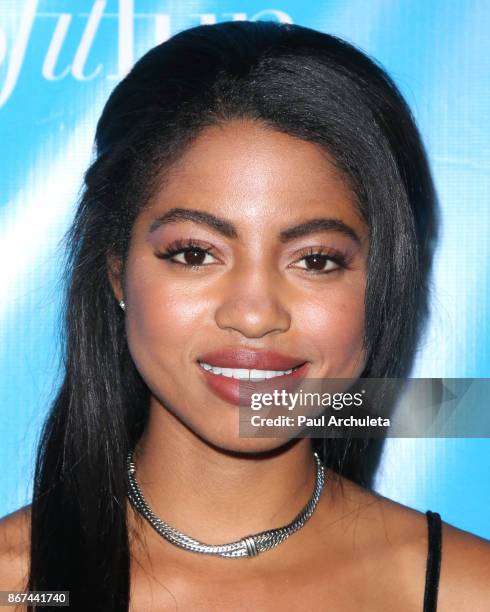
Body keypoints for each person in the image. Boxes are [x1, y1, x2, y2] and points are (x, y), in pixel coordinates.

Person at [0, 20, 489, 611]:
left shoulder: (469, 590)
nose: (255, 315)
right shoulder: (15, 584)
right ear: (115, 269)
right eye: (194, 253)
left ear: (382, 285)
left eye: (315, 260)